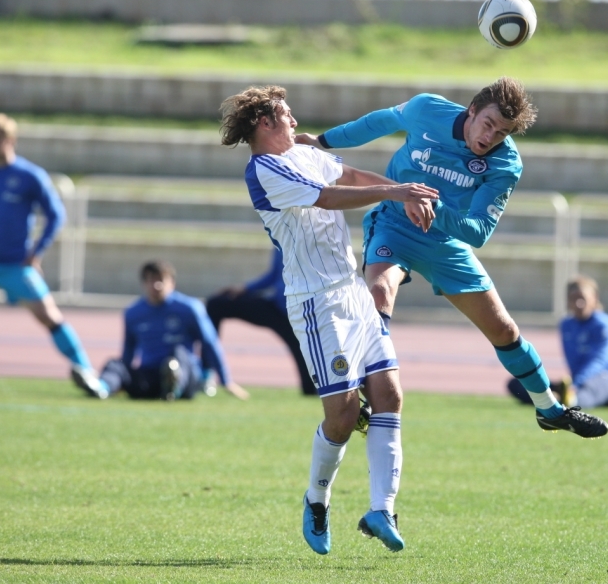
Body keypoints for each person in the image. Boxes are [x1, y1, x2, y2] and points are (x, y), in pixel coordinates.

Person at [296, 77, 608, 438]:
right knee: (379, 291)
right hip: (394, 226)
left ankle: (550, 410)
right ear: (472, 110)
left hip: (445, 241)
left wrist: (432, 205)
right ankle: (360, 391)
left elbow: (478, 232)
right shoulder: (426, 109)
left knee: (504, 330)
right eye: (488, 124)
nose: (490, 137)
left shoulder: (506, 163)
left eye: (502, 133)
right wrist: (321, 141)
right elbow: (379, 122)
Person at [221, 85, 440, 555]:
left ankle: (382, 510)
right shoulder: (263, 170)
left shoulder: (304, 152)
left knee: (389, 395)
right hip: (316, 303)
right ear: (265, 123)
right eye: (287, 114)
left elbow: (350, 176)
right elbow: (325, 197)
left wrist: (398, 195)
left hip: (353, 291)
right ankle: (317, 499)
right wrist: (396, 190)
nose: (295, 121)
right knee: (341, 417)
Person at [0, 113, 105, 397]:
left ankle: (87, 372)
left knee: (49, 315)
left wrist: (37, 252)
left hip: (14, 264)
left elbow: (56, 215)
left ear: (11, 140)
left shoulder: (29, 176)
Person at [76, 261, 249, 401]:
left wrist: (226, 381)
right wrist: (121, 378)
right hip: (150, 375)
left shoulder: (189, 309)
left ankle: (174, 385)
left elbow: (209, 343)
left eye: (161, 280)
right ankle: (102, 388)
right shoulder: (133, 313)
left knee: (177, 355)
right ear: (144, 284)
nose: (156, 285)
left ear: (172, 283)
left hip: (186, 374)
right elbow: (128, 353)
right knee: (116, 365)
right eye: (151, 280)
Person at [206, 247, 317, 396]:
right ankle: (206, 373)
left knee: (311, 388)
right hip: (277, 308)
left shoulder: (313, 240)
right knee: (217, 304)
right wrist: (245, 288)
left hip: (301, 315)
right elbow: (274, 276)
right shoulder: (280, 239)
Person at [508, 276, 608, 409]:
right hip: (575, 381)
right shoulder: (566, 325)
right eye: (573, 299)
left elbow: (600, 360)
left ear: (594, 298)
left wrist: (577, 382)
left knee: (590, 389)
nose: (578, 304)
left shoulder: (605, 326)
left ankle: (567, 400)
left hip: (606, 379)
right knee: (518, 383)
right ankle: (558, 398)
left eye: (582, 298)